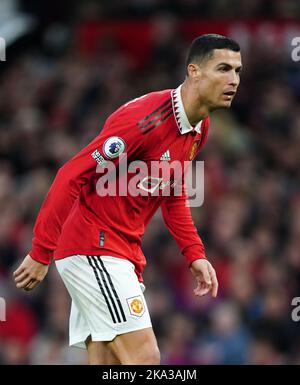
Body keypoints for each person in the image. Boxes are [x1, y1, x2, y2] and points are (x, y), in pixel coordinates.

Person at [13, 34, 242, 365]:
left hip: (120, 251)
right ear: (194, 71)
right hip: (93, 246)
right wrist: (40, 252)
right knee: (145, 359)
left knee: (111, 365)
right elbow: (70, 175)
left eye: (237, 70)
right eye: (223, 69)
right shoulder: (146, 120)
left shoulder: (199, 127)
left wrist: (194, 254)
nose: (233, 80)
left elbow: (173, 190)